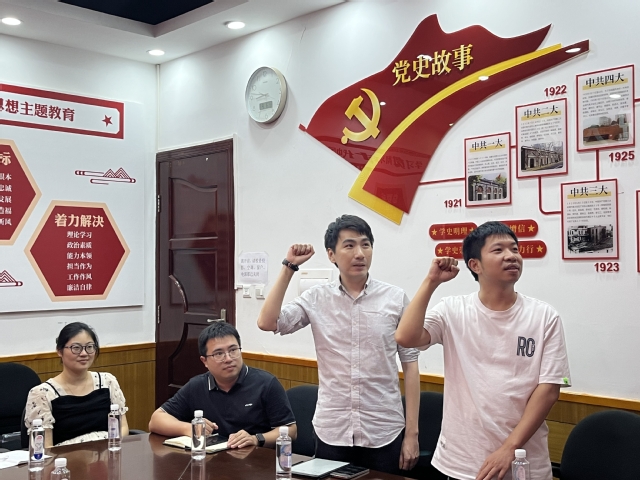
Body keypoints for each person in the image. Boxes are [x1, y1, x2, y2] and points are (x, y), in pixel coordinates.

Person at [395, 221, 571, 480]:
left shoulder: (544, 316)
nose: (511, 256)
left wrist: (509, 448)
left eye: (514, 249)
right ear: (475, 265)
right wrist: (431, 282)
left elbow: (549, 389)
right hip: (462, 461)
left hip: (523, 461)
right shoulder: (453, 310)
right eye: (498, 250)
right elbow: (406, 337)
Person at [257, 214, 420, 475]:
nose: (359, 253)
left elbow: (410, 366)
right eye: (349, 245)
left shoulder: (395, 298)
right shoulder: (316, 298)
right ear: (331, 255)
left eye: (365, 245)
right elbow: (267, 322)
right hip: (332, 430)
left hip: (383, 430)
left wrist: (412, 435)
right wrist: (289, 267)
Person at [148, 322, 296, 448]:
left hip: (255, 462)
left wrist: (256, 439)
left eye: (233, 350)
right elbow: (156, 420)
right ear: (204, 361)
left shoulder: (266, 383)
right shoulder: (197, 386)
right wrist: (189, 428)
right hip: (213, 462)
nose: (228, 358)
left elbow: (290, 430)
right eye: (219, 354)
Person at [25, 322, 129, 447]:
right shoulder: (42, 394)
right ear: (59, 351)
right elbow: (44, 448)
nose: (84, 353)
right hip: (66, 458)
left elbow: (122, 428)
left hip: (107, 454)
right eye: (76, 348)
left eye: (89, 347)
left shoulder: (108, 382)